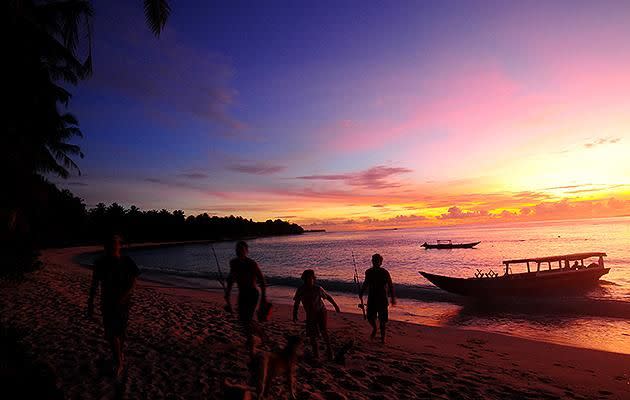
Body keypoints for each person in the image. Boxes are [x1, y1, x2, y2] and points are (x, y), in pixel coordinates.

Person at [87, 234, 139, 377]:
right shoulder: (100, 263)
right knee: (110, 333)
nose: (111, 247)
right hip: (107, 302)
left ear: (119, 245)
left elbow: (134, 280)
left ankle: (119, 356)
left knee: (120, 332)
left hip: (123, 303)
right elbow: (94, 284)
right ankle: (118, 362)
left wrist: (125, 296)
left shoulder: (126, 261)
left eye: (114, 244)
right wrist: (90, 303)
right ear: (105, 246)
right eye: (109, 244)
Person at [225, 241, 267, 356]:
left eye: (242, 250)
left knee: (247, 319)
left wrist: (264, 297)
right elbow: (231, 279)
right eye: (237, 250)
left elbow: (262, 280)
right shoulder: (233, 263)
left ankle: (253, 341)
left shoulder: (252, 263)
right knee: (242, 319)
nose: (239, 252)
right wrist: (227, 295)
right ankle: (258, 335)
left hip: (253, 293)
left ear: (246, 251)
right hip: (242, 293)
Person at [292, 269, 340, 360]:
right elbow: (297, 302)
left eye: (310, 278)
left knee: (323, 331)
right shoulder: (301, 290)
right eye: (306, 279)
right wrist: (294, 313)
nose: (309, 280)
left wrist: (335, 305)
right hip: (310, 314)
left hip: (321, 311)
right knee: (312, 335)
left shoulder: (317, 289)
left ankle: (330, 351)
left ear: (314, 279)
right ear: (303, 279)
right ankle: (316, 354)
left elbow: (328, 297)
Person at [360, 253, 395, 344]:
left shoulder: (384, 272)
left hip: (382, 298)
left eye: (377, 261)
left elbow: (390, 285)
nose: (375, 262)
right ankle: (375, 328)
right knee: (370, 318)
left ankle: (383, 338)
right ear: (372, 261)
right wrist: (361, 291)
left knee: (382, 320)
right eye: (374, 260)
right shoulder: (368, 272)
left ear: (380, 262)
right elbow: (366, 283)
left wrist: (392, 298)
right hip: (372, 298)